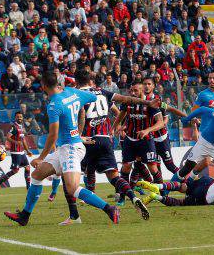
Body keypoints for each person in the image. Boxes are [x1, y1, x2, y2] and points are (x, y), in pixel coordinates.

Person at [4, 71, 120, 226]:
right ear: (58, 83)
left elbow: (53, 135)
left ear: (44, 86)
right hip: (66, 147)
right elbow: (93, 97)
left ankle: (109, 208)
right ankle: (24, 216)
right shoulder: (72, 92)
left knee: (72, 188)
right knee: (37, 175)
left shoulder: (54, 104)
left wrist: (41, 157)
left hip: (71, 148)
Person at [59, 70, 156, 225]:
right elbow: (125, 99)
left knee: (68, 177)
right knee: (114, 176)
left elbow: (81, 114)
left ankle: (74, 215)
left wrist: (77, 134)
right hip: (105, 140)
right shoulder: (101, 91)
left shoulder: (76, 95)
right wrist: (146, 102)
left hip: (86, 141)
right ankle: (133, 197)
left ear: (76, 82)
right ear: (90, 80)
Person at [112, 82, 164, 205]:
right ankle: (122, 197)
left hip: (146, 140)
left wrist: (147, 130)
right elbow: (121, 115)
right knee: (126, 168)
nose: (133, 93)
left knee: (153, 167)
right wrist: (115, 127)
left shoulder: (151, 103)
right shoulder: (128, 103)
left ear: (142, 90)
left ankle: (163, 193)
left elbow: (161, 122)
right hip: (130, 139)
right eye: (131, 90)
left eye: (135, 91)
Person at [0, 112, 33, 191]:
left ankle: (28, 188)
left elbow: (23, 141)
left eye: (21, 116)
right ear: (15, 118)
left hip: (22, 152)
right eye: (18, 117)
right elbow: (8, 137)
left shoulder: (22, 127)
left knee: (27, 168)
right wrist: (16, 142)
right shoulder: (14, 127)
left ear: (22, 118)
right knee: (15, 170)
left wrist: (27, 151)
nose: (19, 118)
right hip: (15, 152)